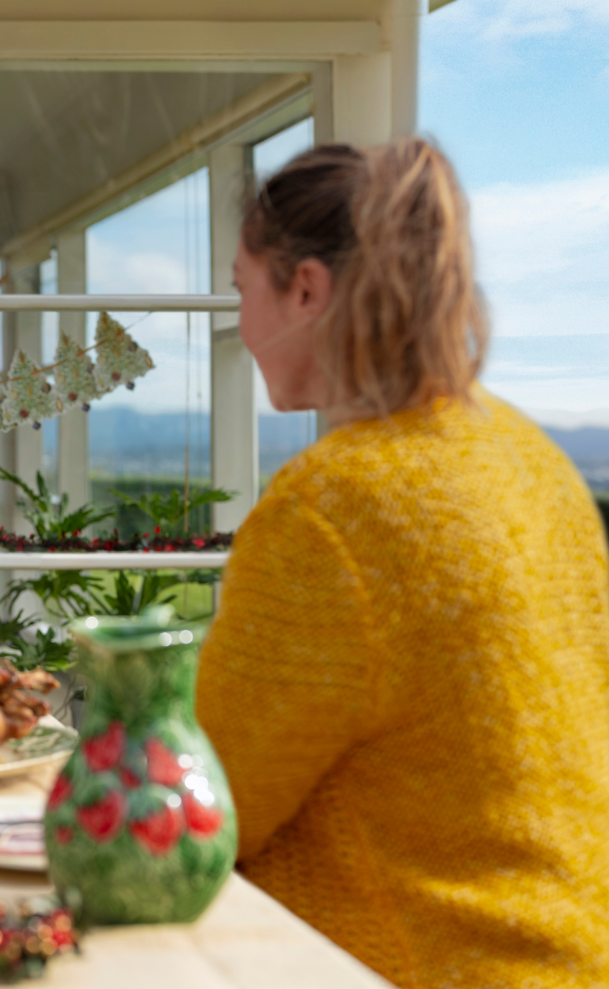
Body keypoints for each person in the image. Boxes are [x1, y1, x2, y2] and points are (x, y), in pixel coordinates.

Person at [195, 138, 609, 988]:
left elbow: (202, 808)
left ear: (304, 288)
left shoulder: (331, 507)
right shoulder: (537, 463)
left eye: (243, 289)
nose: (240, 322)